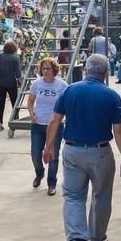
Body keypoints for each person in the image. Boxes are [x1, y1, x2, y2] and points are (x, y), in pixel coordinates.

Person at [43, 54, 121, 241]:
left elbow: (55, 119)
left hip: (72, 151)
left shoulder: (70, 90)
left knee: (73, 196)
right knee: (101, 195)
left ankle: (74, 240)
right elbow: (118, 129)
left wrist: (48, 146)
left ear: (86, 70)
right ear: (106, 73)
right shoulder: (111, 96)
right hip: (101, 153)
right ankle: (97, 237)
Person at [27, 57, 68, 196]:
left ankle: (52, 183)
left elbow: (67, 104)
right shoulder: (36, 84)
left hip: (55, 126)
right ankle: (39, 173)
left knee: (53, 155)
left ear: (54, 69)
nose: (45, 71)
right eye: (43, 68)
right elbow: (30, 101)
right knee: (35, 153)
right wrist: (31, 114)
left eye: (48, 68)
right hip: (38, 124)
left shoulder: (62, 85)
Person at [0, 40, 21, 132]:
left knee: (1, 103)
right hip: (11, 83)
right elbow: (18, 74)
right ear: (14, 49)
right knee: (14, 103)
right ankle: (15, 120)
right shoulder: (16, 58)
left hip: (0, 83)